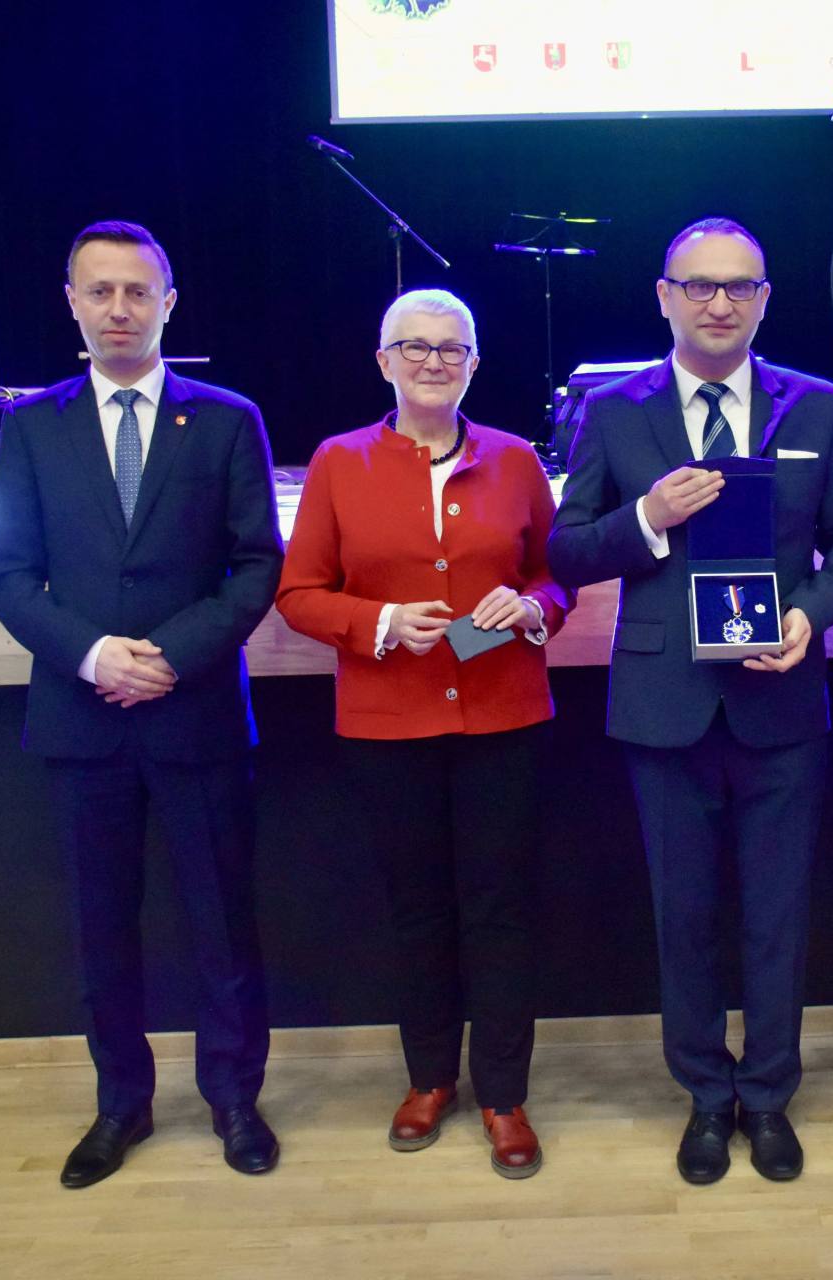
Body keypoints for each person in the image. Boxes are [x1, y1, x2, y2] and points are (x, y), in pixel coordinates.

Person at [547, 217, 833, 1185]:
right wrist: (646, 517)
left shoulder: (817, 407)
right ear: (665, 295)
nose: (719, 302)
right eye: (699, 285)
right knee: (682, 913)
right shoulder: (613, 409)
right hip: (663, 703)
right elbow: (569, 551)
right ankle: (704, 1093)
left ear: (765, 298)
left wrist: (810, 616)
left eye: (739, 285)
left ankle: (770, 1095)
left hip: (780, 704)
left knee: (779, 914)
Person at [0, 220, 285, 1188]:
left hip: (195, 713)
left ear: (168, 301)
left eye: (136, 291)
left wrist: (172, 655)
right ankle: (122, 1103)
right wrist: (96, 653)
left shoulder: (228, 417)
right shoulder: (31, 424)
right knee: (101, 924)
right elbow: (8, 574)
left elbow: (256, 563)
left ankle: (235, 1097)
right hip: (82, 719)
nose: (119, 308)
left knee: (223, 918)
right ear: (71, 300)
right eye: (99, 291)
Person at [275, 289, 568, 1180]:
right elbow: (298, 594)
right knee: (417, 912)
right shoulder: (338, 462)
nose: (434, 360)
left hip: (503, 719)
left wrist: (530, 607)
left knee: (500, 913)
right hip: (387, 723)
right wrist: (379, 623)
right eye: (416, 346)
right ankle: (429, 1079)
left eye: (453, 349)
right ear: (384, 361)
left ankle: (505, 1095)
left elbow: (558, 579)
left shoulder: (517, 461)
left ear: (475, 364)